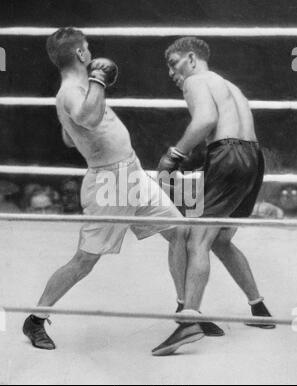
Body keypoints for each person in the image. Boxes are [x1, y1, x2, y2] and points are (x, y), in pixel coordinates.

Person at [22, 27, 200, 351]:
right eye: (86, 48)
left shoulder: (79, 89)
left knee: (180, 232)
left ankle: (185, 310)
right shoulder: (72, 90)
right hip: (110, 183)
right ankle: (34, 320)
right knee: (84, 261)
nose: (90, 53)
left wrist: (91, 106)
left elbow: (72, 134)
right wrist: (100, 79)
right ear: (80, 54)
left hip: (131, 173)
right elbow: (88, 119)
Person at [153, 37, 275, 356]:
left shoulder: (196, 80)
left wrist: (175, 154)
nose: (171, 72)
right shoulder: (228, 85)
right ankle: (259, 308)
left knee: (197, 240)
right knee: (220, 240)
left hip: (229, 155)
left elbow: (205, 120)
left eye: (174, 63)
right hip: (253, 158)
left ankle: (189, 319)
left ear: (191, 59)